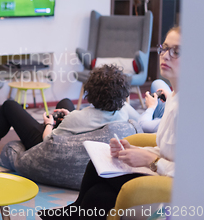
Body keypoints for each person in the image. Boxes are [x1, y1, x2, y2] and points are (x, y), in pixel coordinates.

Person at [39, 26, 180, 220]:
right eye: (164, 48)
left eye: (177, 51)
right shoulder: (174, 97)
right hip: (160, 167)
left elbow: (195, 173)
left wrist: (151, 160)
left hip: (171, 181)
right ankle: (75, 209)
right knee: (96, 165)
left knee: (99, 195)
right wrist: (134, 150)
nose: (165, 55)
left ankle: (77, 213)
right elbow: (169, 150)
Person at [0, 64, 138, 157]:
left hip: (43, 146)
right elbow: (140, 121)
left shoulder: (78, 118)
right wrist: (70, 115)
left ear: (91, 91)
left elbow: (47, 141)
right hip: (81, 134)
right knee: (65, 102)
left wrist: (49, 124)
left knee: (9, 105)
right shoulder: (125, 110)